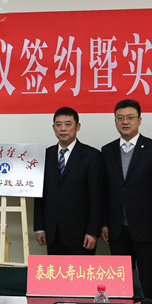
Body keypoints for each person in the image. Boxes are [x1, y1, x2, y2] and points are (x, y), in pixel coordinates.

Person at [100, 99, 152, 300]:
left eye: (130, 117)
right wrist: (104, 223)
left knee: (149, 279)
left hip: (147, 227)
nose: (125, 122)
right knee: (120, 281)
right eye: (120, 118)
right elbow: (104, 191)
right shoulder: (107, 150)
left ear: (139, 120)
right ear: (115, 121)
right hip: (117, 228)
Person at [35, 107, 102, 255]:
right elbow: (40, 195)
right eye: (58, 125)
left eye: (68, 124)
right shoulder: (45, 155)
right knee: (55, 270)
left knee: (80, 271)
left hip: (81, 234)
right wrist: (40, 228)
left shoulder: (92, 156)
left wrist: (93, 231)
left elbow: (97, 198)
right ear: (54, 127)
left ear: (77, 126)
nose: (63, 129)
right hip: (53, 233)